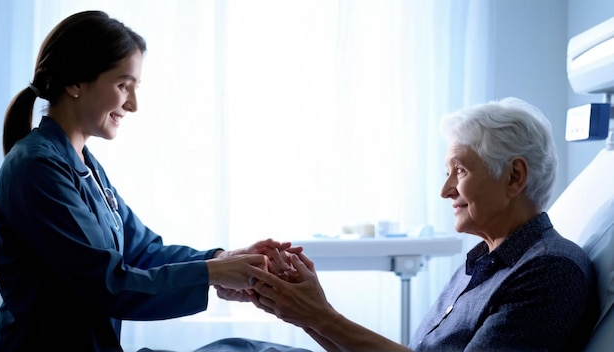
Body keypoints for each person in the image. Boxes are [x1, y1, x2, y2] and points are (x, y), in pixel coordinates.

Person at [0, 10, 300, 351]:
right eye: (124, 86)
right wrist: (213, 273)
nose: (133, 105)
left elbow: (143, 251)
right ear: (75, 82)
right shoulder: (36, 167)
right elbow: (107, 284)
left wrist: (224, 258)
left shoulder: (84, 166)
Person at [233, 97, 599, 351]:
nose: (445, 190)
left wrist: (320, 315)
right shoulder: (484, 265)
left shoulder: (550, 271)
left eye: (460, 170)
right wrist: (302, 313)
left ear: (514, 177)